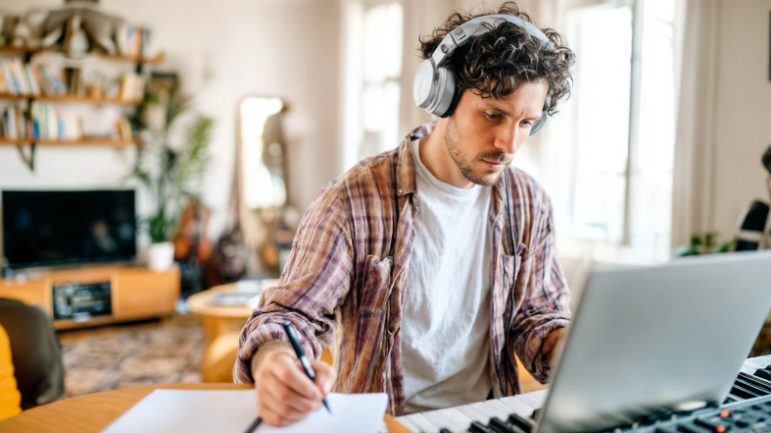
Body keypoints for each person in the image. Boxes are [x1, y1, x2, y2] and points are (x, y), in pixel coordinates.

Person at [234, 2, 576, 426]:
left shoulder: (529, 202)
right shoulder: (352, 201)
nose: (509, 144)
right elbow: (290, 317)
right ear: (441, 98)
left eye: (526, 123)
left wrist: (567, 345)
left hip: (486, 421)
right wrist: (275, 362)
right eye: (494, 115)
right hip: (386, 424)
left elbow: (536, 318)